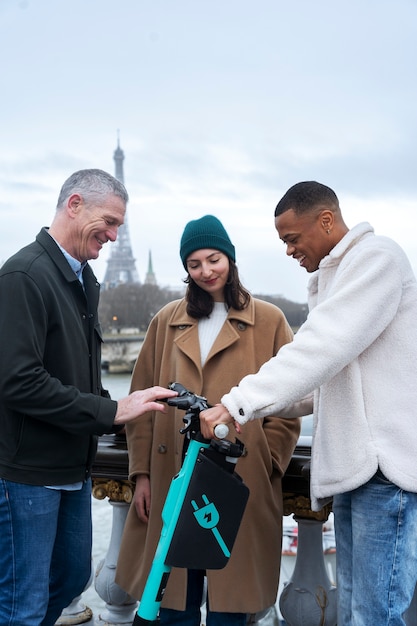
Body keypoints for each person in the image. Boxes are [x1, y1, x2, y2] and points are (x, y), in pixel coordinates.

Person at [200, 182, 417, 626]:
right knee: (360, 610)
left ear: (326, 220)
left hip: (384, 468)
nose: (288, 251)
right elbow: (320, 382)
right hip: (363, 469)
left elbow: (321, 347)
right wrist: (251, 409)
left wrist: (239, 402)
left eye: (291, 238)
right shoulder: (338, 276)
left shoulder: (378, 259)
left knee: (374, 615)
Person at [0, 169, 177, 626]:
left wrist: (124, 407)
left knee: (71, 575)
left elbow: (78, 373)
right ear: (74, 204)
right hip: (27, 473)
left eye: (121, 225)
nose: (116, 236)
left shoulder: (82, 279)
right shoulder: (23, 276)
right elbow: (18, 382)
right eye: (110, 221)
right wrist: (111, 409)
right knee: (24, 600)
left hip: (72, 466)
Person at [115, 215, 301, 625]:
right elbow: (140, 403)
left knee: (228, 609)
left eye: (213, 259)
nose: (205, 271)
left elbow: (290, 404)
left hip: (239, 478)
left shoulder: (270, 321)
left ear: (230, 258)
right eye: (194, 263)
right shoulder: (165, 320)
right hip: (173, 479)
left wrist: (269, 462)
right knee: (173, 604)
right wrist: (141, 473)